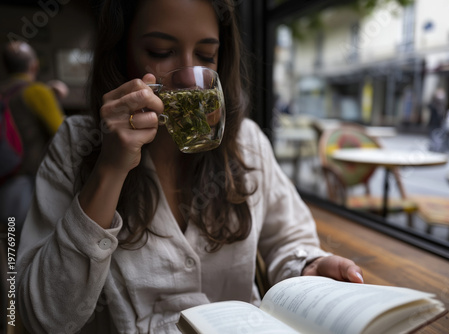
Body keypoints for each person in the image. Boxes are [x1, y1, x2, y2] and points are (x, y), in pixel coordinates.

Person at [16, 1, 363, 333]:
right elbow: (43, 317)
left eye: (206, 56)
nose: (188, 77)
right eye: (160, 52)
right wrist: (110, 169)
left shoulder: (248, 143)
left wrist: (308, 266)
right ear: (121, 55)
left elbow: (288, 239)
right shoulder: (77, 146)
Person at [0, 41, 65, 230]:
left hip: (5, 175)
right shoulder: (37, 91)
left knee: (10, 240)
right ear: (34, 65)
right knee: (32, 243)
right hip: (31, 180)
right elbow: (62, 133)